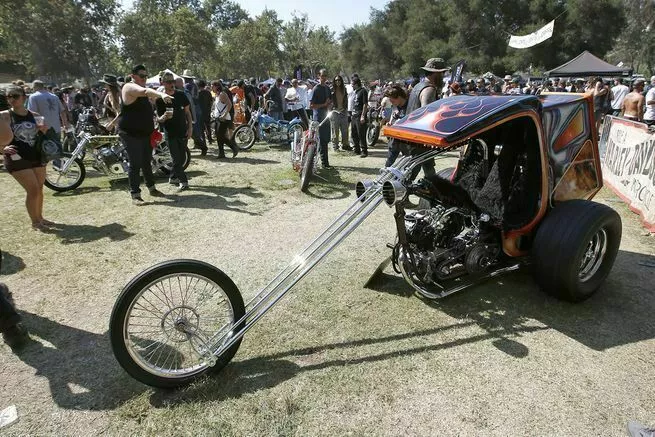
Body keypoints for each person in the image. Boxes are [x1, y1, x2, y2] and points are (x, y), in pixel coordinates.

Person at [1, 86, 55, 229]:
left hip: (36, 155)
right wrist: (2, 148)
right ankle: (35, 222)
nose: (12, 99)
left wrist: (43, 130)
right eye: (9, 96)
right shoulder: (4, 116)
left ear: (24, 97)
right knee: (33, 190)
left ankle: (40, 218)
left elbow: (44, 133)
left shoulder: (35, 114)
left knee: (39, 189)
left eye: (15, 96)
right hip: (16, 158)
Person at [117, 64, 171, 205]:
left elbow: (147, 112)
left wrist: (159, 119)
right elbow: (145, 91)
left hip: (145, 133)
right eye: (142, 76)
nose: (144, 78)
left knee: (147, 161)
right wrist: (162, 94)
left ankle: (152, 188)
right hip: (130, 133)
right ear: (133, 76)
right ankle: (135, 195)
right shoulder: (129, 87)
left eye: (146, 76)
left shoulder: (143, 93)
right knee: (135, 163)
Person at [155, 72, 192, 191]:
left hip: (183, 131)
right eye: (169, 82)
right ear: (163, 83)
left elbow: (188, 113)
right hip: (169, 132)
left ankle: (173, 176)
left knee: (181, 158)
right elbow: (158, 119)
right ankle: (184, 181)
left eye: (173, 81)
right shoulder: (160, 99)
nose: (172, 84)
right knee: (176, 158)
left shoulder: (181, 95)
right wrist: (164, 116)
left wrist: (190, 128)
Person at [309, 69, 332, 167]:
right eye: (322, 75)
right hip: (318, 118)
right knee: (321, 140)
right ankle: (324, 163)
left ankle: (322, 161)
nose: (324, 77)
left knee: (326, 139)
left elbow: (330, 101)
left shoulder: (327, 88)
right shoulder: (316, 89)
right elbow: (311, 105)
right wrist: (324, 104)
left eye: (326, 75)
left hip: (326, 117)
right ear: (319, 76)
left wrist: (330, 105)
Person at [211, 80, 239, 159]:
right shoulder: (217, 95)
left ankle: (233, 148)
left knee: (220, 136)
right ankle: (222, 153)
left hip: (224, 118)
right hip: (218, 118)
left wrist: (224, 114)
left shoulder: (222, 94)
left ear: (217, 86)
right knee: (219, 136)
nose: (211, 88)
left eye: (212, 86)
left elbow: (230, 104)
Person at [383, 85, 408, 167]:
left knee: (407, 160)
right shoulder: (396, 106)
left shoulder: (410, 106)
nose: (392, 103)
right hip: (395, 139)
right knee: (390, 159)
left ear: (399, 97)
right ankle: (385, 174)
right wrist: (390, 123)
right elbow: (393, 117)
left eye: (393, 101)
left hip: (407, 140)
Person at [350, 76, 368, 157]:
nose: (351, 86)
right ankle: (356, 149)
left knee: (361, 133)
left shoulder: (363, 91)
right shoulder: (355, 92)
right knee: (354, 133)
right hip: (353, 115)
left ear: (356, 84)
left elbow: (365, 104)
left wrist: (363, 116)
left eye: (352, 84)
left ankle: (364, 151)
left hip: (360, 114)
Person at [330, 75, 349, 151]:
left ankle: (345, 145)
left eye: (339, 80)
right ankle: (335, 146)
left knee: (345, 130)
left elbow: (346, 99)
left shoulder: (344, 89)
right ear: (334, 81)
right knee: (335, 130)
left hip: (343, 111)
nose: (338, 82)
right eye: (336, 80)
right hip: (335, 112)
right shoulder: (331, 90)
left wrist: (345, 108)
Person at [197, 80, 213, 147]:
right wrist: (210, 108)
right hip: (207, 111)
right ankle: (210, 139)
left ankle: (203, 142)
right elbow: (211, 101)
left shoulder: (198, 93)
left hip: (201, 113)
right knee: (208, 126)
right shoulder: (208, 92)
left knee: (201, 129)